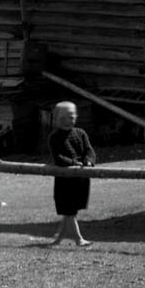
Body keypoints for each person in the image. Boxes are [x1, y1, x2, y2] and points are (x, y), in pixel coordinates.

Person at [47, 100, 96, 246]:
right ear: (55, 119)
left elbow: (89, 151)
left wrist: (89, 161)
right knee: (68, 210)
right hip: (64, 179)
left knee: (70, 211)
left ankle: (59, 239)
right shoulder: (54, 137)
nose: (67, 121)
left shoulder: (81, 133)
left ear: (76, 117)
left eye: (71, 117)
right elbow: (58, 157)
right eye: (62, 118)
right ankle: (79, 239)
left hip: (80, 178)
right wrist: (73, 163)